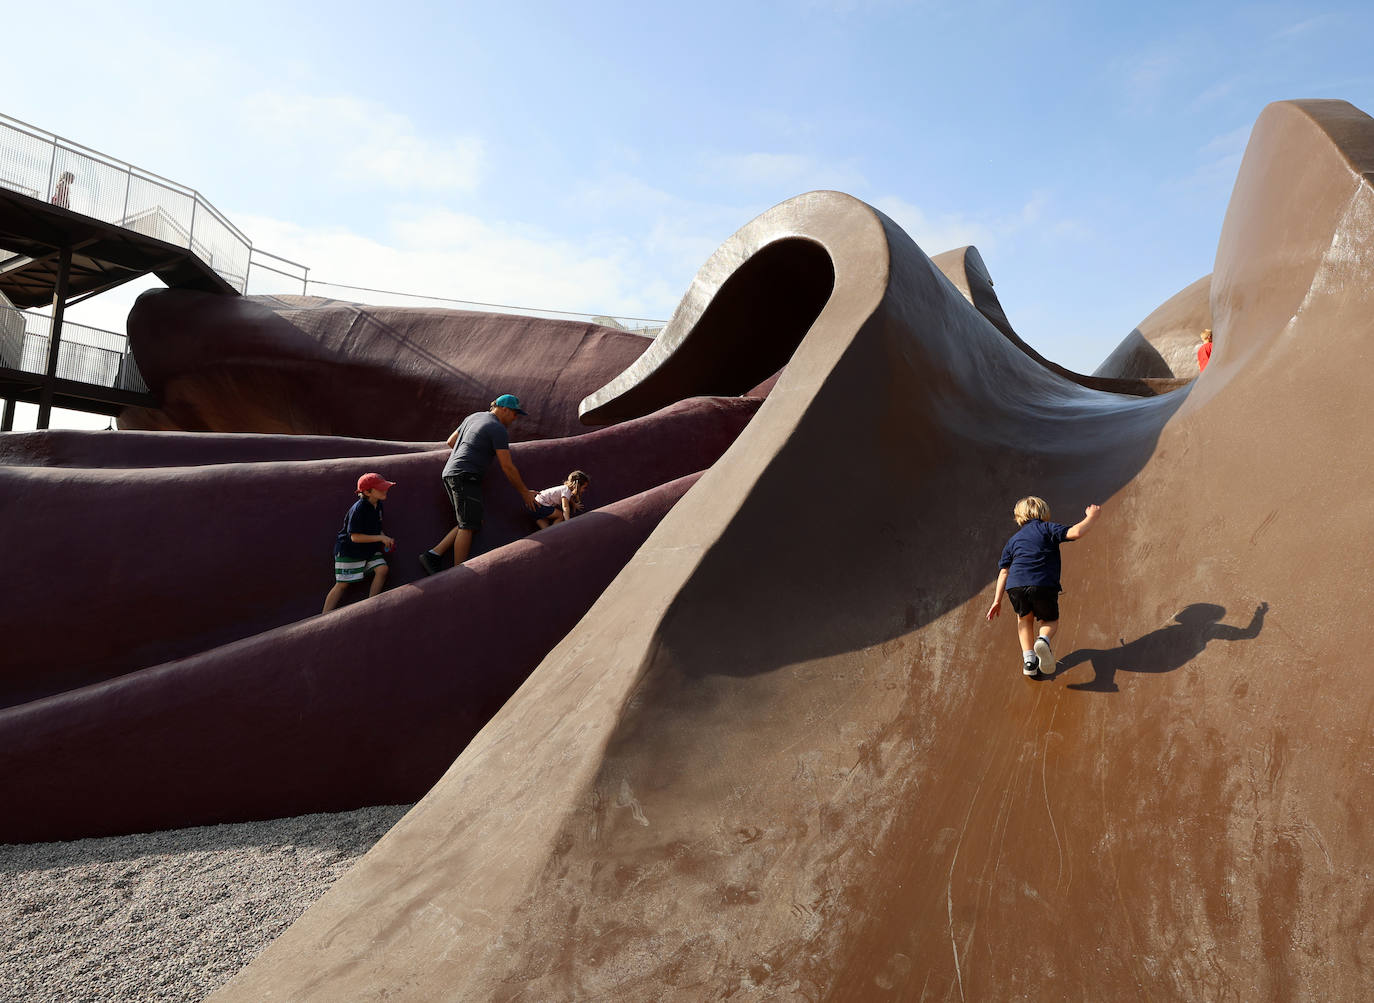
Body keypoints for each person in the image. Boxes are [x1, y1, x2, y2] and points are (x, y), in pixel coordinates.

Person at [418, 394, 536, 575]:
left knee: (471, 519)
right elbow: (507, 466)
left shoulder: (473, 416)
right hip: (466, 475)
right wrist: (524, 492)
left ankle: (433, 555)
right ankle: (458, 573)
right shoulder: (498, 429)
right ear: (504, 409)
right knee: (468, 525)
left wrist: (472, 449)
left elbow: (451, 442)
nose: (515, 418)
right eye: (514, 413)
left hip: (450, 472)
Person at [986, 496, 1102, 677]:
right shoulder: (1047, 528)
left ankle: (1029, 661)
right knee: (1050, 621)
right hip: (1043, 583)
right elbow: (1076, 532)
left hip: (1015, 586)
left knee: (1024, 620)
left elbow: (1003, 572)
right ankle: (1043, 640)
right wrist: (1092, 517)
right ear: (1044, 513)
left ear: (1019, 517)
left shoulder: (1013, 540)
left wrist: (997, 600)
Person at [323, 472, 396, 614]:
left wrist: (384, 537)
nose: (385, 490)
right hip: (350, 551)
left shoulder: (378, 504)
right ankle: (323, 616)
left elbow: (377, 527)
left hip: (368, 549)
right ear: (367, 492)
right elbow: (355, 537)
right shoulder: (359, 509)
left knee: (382, 569)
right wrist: (380, 539)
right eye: (380, 488)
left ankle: (371, 604)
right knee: (342, 584)